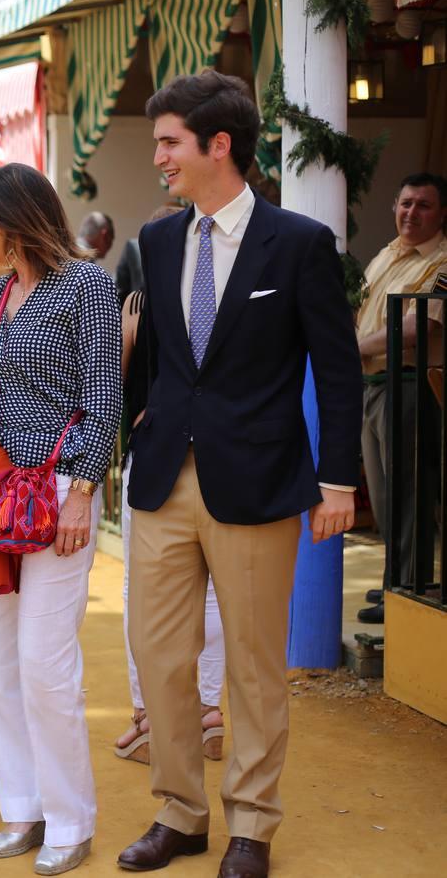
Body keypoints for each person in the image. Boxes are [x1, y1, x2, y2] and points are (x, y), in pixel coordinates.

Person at [118, 71, 361, 878]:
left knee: (255, 666)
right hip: (162, 483)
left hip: (257, 484)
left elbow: (335, 370)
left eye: (169, 143)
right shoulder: (155, 242)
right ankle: (181, 813)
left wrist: (338, 481)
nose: (158, 157)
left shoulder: (297, 244)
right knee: (160, 659)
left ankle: (252, 824)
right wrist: (139, 428)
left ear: (220, 146)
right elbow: (154, 360)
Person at [0, 163, 120, 875]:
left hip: (61, 491)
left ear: (12, 216)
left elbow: (103, 393)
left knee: (44, 664)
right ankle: (22, 809)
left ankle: (70, 819)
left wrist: (84, 488)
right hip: (1, 494)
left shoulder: (86, 284)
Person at [114, 206, 225, 766]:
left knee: (147, 589)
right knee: (209, 588)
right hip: (211, 451)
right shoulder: (214, 286)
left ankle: (148, 716)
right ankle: (206, 711)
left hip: (158, 453)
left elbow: (110, 382)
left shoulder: (138, 298)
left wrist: (128, 343)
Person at [353, 173, 446, 623]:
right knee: (385, 495)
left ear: (442, 213)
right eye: (405, 203)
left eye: (424, 206)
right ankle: (395, 580)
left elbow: (418, 327)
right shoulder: (386, 254)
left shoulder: (444, 262)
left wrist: (353, 347)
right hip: (373, 388)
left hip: (410, 386)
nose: (411, 213)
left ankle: (408, 588)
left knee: (408, 493)